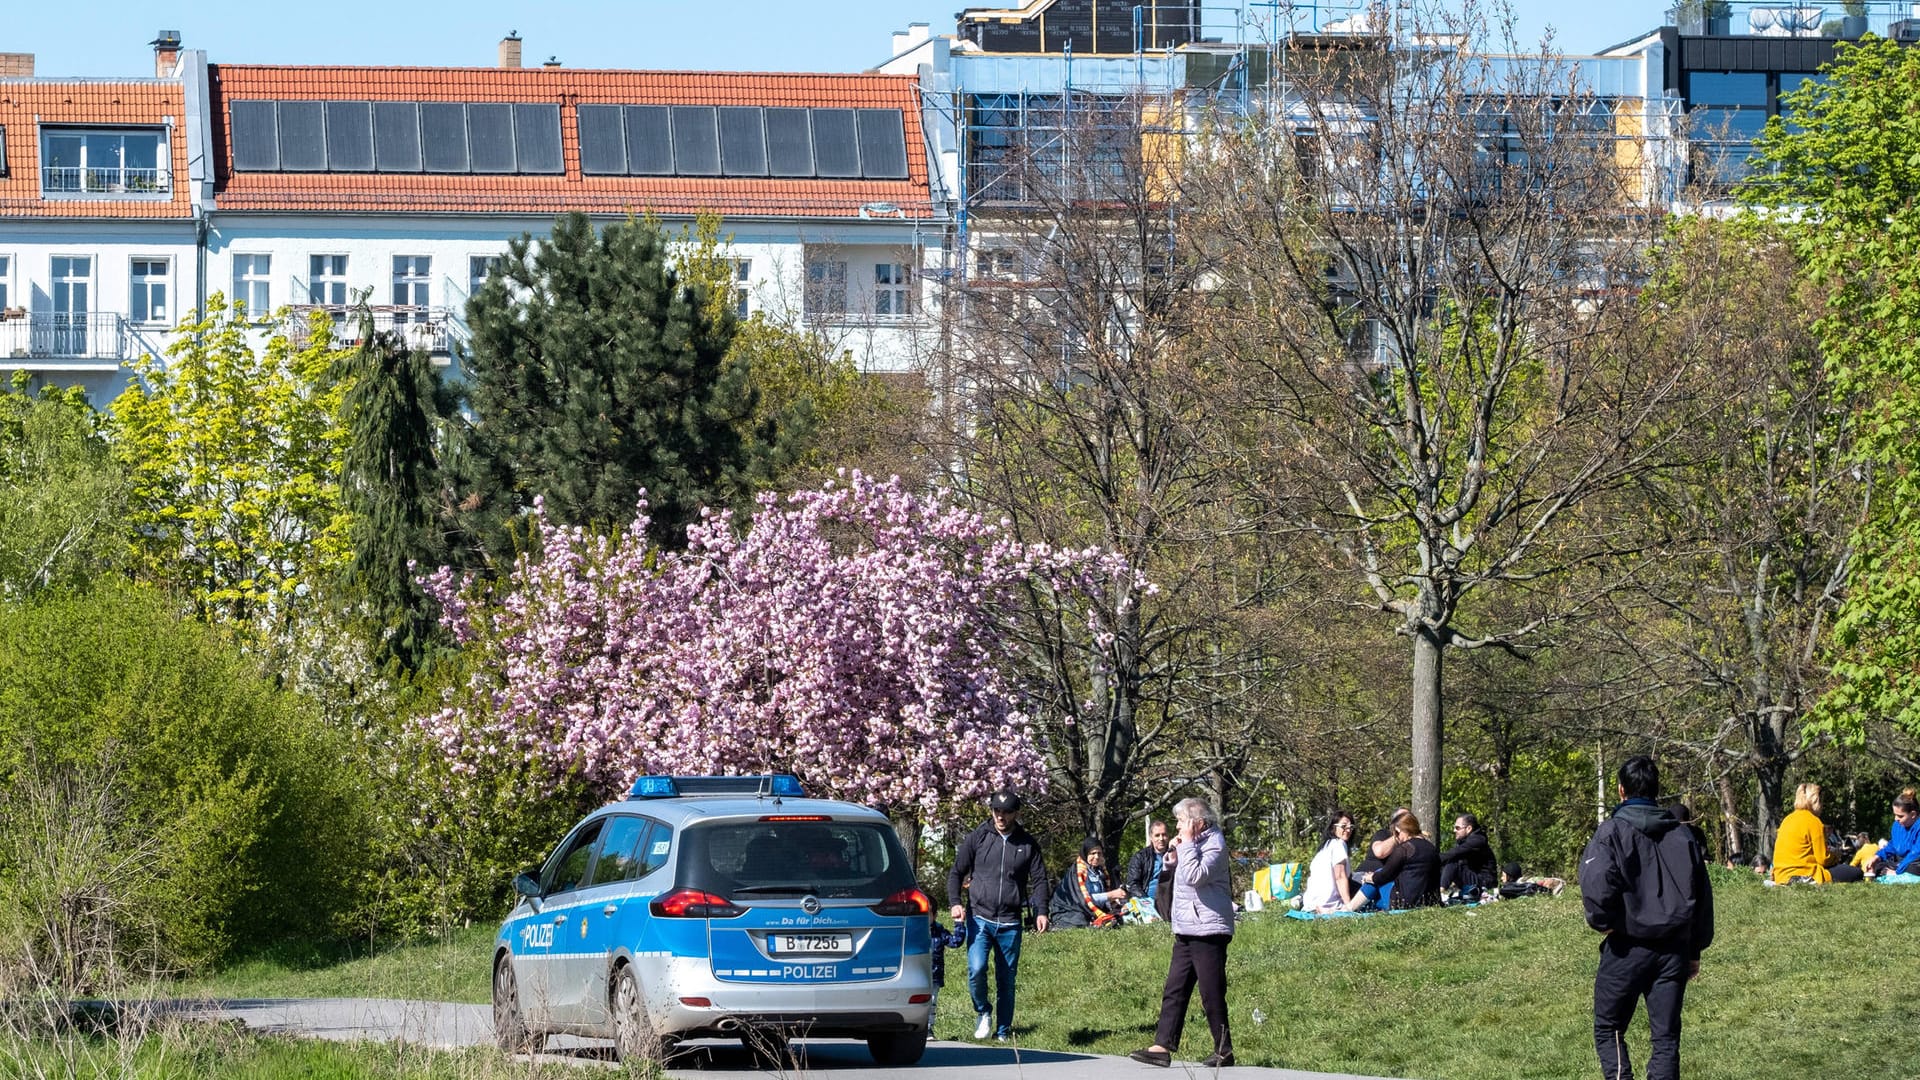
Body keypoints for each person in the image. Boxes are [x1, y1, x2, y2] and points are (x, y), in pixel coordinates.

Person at [1580, 755, 1715, 1080]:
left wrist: (1604, 921)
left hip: (1627, 947)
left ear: (1621, 790)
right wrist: (1694, 949)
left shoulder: (1611, 832)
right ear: (1656, 791)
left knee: (1609, 1027)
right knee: (1666, 1038)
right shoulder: (1683, 837)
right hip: (1673, 951)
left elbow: (1596, 882)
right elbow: (1702, 897)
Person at [1129, 797, 1234, 1069]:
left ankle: (1224, 1050)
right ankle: (1162, 1046)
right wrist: (1171, 861)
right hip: (1186, 928)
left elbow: (1196, 876)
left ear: (1197, 822)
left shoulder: (1215, 843)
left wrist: (1186, 845)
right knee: (1174, 989)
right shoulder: (1192, 843)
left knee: (1211, 992)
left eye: (1181, 821)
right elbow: (1180, 876)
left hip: (1208, 930)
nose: (1177, 826)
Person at [948, 789, 1049, 1042]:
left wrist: (1042, 911)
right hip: (979, 917)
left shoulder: (1027, 843)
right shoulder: (979, 837)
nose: (1000, 816)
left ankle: (1003, 1031)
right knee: (977, 968)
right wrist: (955, 903)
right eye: (996, 811)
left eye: (1006, 812)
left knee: (1007, 978)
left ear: (1016, 813)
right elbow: (956, 872)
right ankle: (983, 1011)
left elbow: (1040, 880)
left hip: (1010, 922)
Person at [1771, 783, 1864, 885]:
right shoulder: (1814, 822)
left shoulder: (1787, 820)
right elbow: (1823, 859)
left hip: (1780, 876)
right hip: (1803, 874)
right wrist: (1836, 855)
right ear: (1816, 800)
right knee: (1857, 872)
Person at [1049, 838, 1126, 929]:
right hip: (1069, 910)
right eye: (1093, 853)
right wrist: (1111, 895)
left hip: (1089, 909)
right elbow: (1085, 899)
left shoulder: (1100, 870)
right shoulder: (1078, 872)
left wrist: (1116, 901)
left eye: (1099, 853)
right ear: (1085, 854)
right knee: (1080, 920)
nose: (1097, 857)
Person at [1372, 811, 1442, 909]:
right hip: (1431, 902)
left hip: (1406, 903)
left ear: (1399, 830)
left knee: (1373, 882)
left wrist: (1370, 878)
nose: (1397, 838)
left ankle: (1349, 908)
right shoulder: (1431, 848)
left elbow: (1384, 876)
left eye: (1396, 834)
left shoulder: (1405, 849)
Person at [1300, 811, 1363, 912]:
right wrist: (1349, 905)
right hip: (1328, 903)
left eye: (1350, 827)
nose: (1348, 830)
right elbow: (1340, 876)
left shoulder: (1324, 847)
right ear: (1333, 828)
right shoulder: (1339, 844)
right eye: (1343, 826)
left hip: (1310, 902)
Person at [1354, 807, 1409, 909]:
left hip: (1383, 881)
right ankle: (1347, 910)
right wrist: (1397, 836)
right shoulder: (1383, 834)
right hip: (1364, 877)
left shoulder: (1410, 843)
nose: (1405, 821)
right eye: (1401, 819)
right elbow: (1379, 852)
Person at [1438, 813, 1497, 901]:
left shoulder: (1477, 841)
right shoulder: (1465, 840)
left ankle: (1439, 893)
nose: (1454, 830)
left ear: (1469, 828)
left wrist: (1430, 859)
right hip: (1474, 878)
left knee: (1452, 861)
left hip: (1485, 882)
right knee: (1443, 863)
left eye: (1457, 828)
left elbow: (1453, 854)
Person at [1867, 789, 1920, 877]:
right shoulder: (1897, 825)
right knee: (1878, 867)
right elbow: (1893, 845)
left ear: (1913, 814)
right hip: (1900, 863)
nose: (1896, 819)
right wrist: (1877, 857)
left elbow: (1916, 853)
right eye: (1895, 815)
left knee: (1913, 866)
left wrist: (1897, 872)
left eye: (1900, 816)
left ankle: (1896, 875)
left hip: (1914, 863)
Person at [1124, 819, 1170, 907]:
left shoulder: (1176, 855)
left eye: (1164, 835)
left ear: (1168, 836)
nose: (1161, 838)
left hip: (1170, 902)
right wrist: (1146, 901)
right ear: (1151, 837)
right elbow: (1133, 884)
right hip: (1147, 902)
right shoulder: (1140, 857)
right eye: (1157, 835)